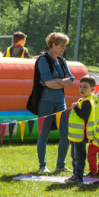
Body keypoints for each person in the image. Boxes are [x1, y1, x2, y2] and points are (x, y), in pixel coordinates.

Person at [28, 32, 74, 173]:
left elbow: (71, 81)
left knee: (66, 135)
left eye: (65, 45)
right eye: (62, 45)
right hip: (45, 102)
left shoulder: (62, 61)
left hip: (60, 102)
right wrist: (61, 82)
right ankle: (43, 165)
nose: (64, 48)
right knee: (44, 133)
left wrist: (56, 82)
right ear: (53, 45)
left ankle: (60, 165)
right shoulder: (43, 60)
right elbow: (48, 83)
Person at [65, 75, 97, 184]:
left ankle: (78, 177)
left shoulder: (87, 102)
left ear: (92, 89)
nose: (82, 89)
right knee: (74, 156)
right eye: (80, 86)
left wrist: (76, 108)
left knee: (79, 157)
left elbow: (84, 115)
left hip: (81, 135)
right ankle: (75, 175)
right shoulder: (82, 100)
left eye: (85, 87)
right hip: (75, 135)